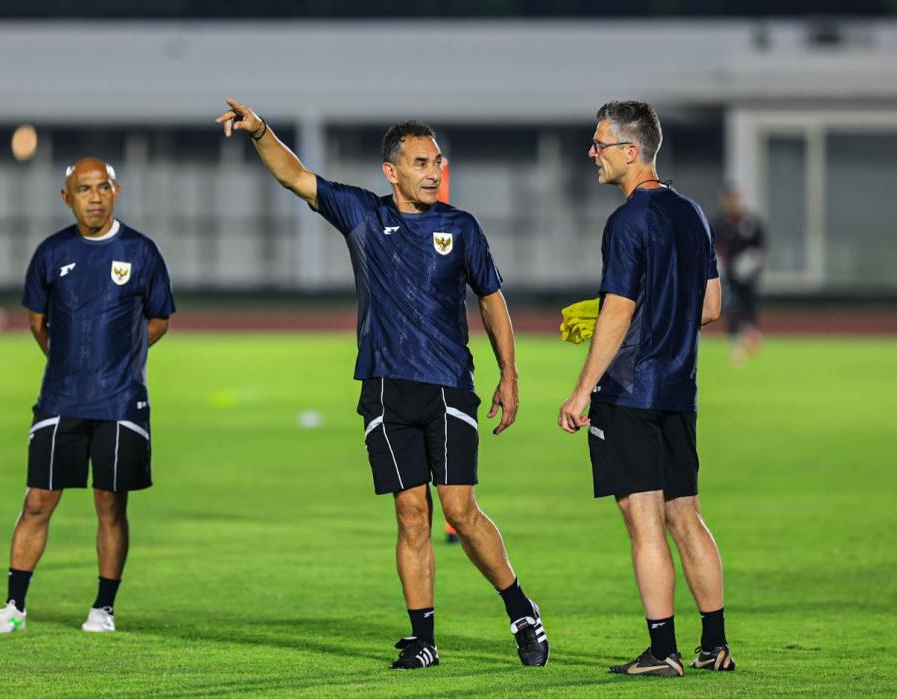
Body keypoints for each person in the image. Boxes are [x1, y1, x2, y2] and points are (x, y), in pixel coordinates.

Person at [216, 98, 548, 670]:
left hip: (448, 385)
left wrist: (509, 375)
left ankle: (520, 608)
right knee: (410, 513)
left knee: (459, 509)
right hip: (386, 390)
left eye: (436, 162)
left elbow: (491, 299)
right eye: (420, 163)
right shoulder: (364, 215)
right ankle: (423, 640)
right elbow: (295, 176)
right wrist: (260, 131)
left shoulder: (460, 227)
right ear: (391, 171)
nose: (432, 172)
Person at [558, 101, 734, 677]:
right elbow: (710, 307)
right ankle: (715, 644)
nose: (593, 154)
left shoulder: (628, 220)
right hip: (680, 389)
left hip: (630, 391)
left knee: (644, 522)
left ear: (630, 152)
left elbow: (618, 310)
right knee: (687, 517)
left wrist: (583, 388)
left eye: (600, 145)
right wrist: (660, 321)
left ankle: (663, 651)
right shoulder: (694, 214)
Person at [0, 158, 175, 634]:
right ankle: (14, 605)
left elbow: (159, 319)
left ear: (116, 191)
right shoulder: (50, 253)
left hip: (120, 401)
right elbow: (36, 322)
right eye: (84, 189)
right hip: (61, 399)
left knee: (111, 504)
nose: (94, 196)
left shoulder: (142, 251)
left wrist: (120, 359)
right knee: (37, 501)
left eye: (103, 187)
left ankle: (103, 608)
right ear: (66, 197)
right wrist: (72, 363)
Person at [713, 185, 766, 367]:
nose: (732, 204)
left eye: (735, 199)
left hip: (748, 276)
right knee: (732, 309)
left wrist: (751, 264)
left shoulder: (751, 223)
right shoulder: (719, 224)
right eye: (729, 200)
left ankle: (751, 336)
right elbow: (713, 247)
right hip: (728, 277)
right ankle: (736, 346)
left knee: (750, 308)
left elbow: (760, 249)